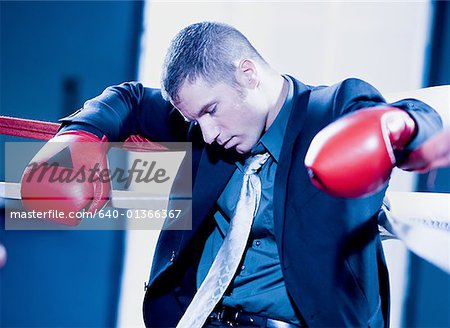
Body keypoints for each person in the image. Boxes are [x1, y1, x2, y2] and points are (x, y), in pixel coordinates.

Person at [21, 22, 442, 327]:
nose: (207, 134)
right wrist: (79, 134)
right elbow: (126, 97)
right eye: (194, 118)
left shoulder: (333, 111)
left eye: (210, 111)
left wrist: (397, 128)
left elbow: (419, 115)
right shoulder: (204, 127)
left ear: (248, 73)